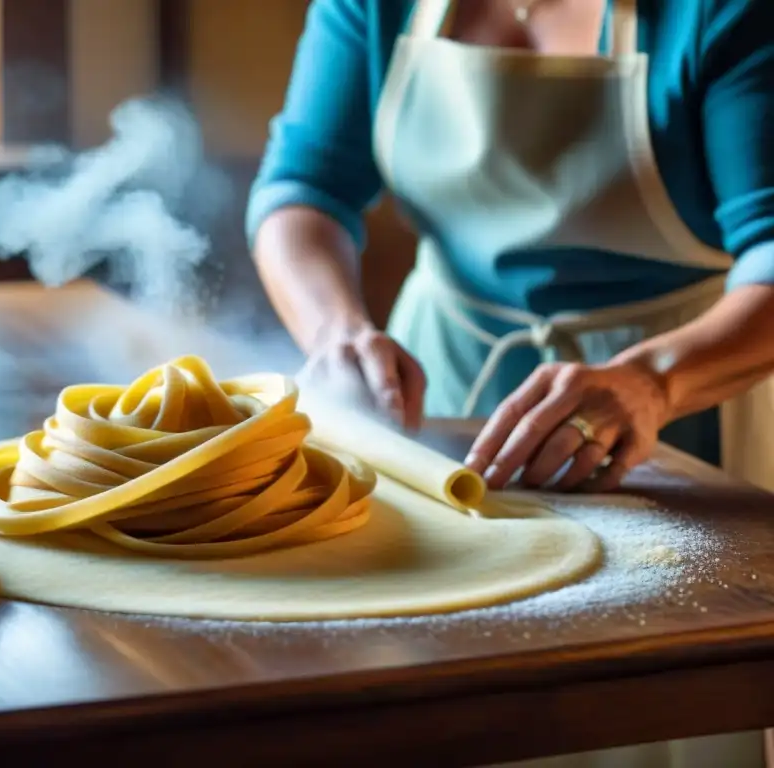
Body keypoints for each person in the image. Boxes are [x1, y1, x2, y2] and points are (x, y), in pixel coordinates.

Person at [245, 0, 774, 766]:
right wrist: (336, 331)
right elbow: (302, 189)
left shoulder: (720, 14)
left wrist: (652, 382)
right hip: (435, 402)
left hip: (678, 411)